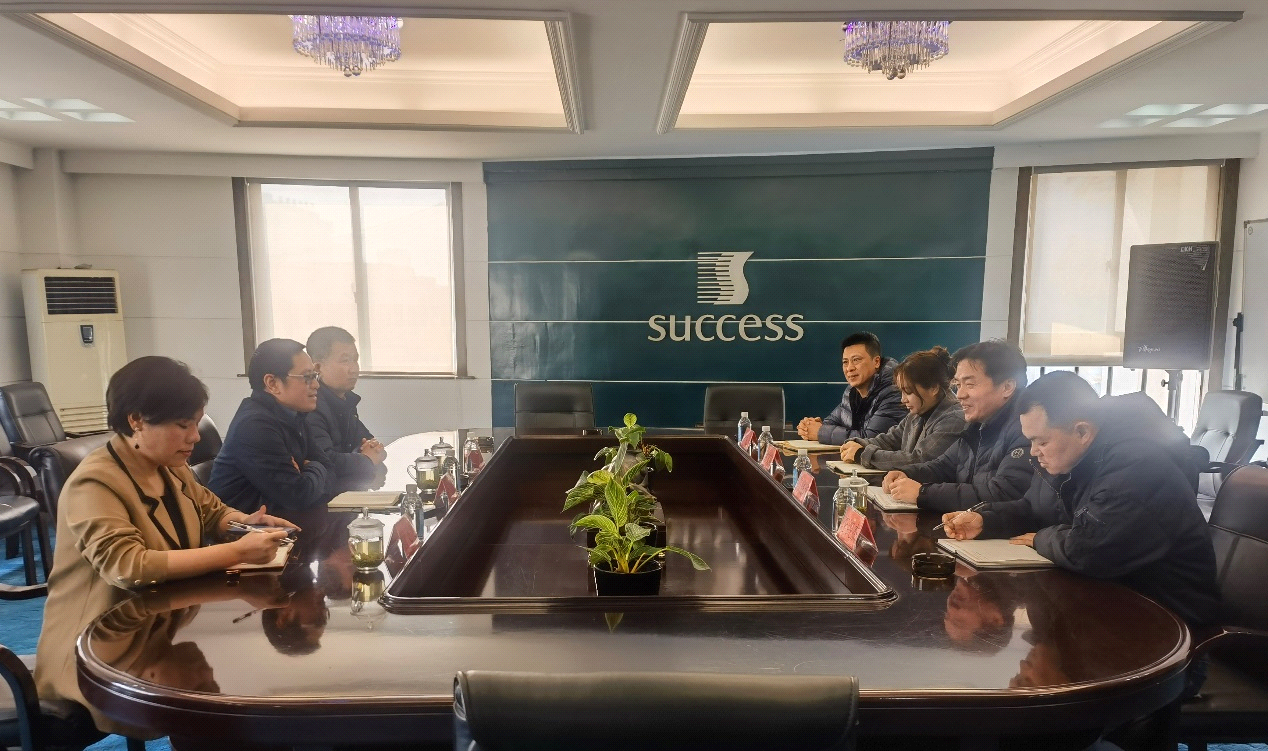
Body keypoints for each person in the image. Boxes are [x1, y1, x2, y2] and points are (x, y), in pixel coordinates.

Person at [34, 356, 296, 738]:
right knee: (223, 709)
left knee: (243, 681)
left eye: (196, 423)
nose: (195, 437)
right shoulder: (94, 484)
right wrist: (238, 552)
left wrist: (246, 523)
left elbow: (211, 510)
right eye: (183, 425)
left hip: (160, 627)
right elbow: (129, 566)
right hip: (100, 653)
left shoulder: (168, 465)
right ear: (136, 421)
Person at [941, 370, 1221, 627]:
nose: (1033, 452)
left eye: (1042, 441)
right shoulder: (1070, 458)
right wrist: (985, 521)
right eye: (1030, 441)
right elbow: (1034, 509)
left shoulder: (1136, 465)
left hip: (1167, 625)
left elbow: (1089, 550)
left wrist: (1042, 538)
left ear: (1082, 431)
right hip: (1107, 609)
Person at [881, 340, 1033, 512]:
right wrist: (906, 474)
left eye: (970, 384)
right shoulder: (978, 426)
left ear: (1007, 387)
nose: (960, 394)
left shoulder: (1027, 430)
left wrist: (924, 493)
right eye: (958, 385)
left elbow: (1003, 493)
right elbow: (943, 466)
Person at [209, 338, 333, 514]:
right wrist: (315, 466)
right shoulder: (255, 426)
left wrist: (309, 470)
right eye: (307, 377)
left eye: (315, 376)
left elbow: (331, 471)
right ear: (272, 383)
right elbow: (298, 496)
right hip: (246, 527)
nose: (316, 385)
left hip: (283, 521)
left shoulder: (295, 415)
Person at [838, 346, 966, 470]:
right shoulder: (917, 412)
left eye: (908, 391)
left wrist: (861, 454)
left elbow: (919, 460)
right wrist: (858, 444)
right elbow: (890, 440)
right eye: (901, 392)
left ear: (934, 388)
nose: (903, 399)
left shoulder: (954, 419)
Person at [306, 326, 387, 493]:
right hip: (325, 497)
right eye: (345, 361)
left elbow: (370, 443)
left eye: (355, 360)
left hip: (348, 491)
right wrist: (366, 459)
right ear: (317, 368)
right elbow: (325, 461)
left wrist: (373, 452)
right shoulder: (311, 405)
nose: (354, 369)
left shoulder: (345, 400)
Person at [796, 331, 906, 445]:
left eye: (856, 360)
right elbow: (830, 423)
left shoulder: (893, 391)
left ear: (876, 362)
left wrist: (820, 432)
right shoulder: (851, 392)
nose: (849, 368)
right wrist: (810, 427)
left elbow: (871, 439)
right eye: (845, 362)